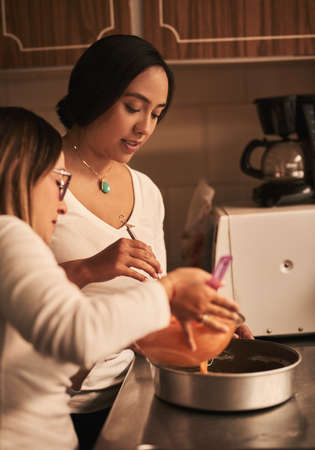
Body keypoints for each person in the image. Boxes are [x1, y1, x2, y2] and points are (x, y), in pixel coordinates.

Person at [51, 34, 253, 447]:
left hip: (134, 394)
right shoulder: (39, 178)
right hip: (58, 408)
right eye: (132, 107)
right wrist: (89, 269)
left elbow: (148, 306)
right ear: (95, 94)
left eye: (157, 114)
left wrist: (201, 322)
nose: (145, 128)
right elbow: (14, 300)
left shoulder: (146, 191)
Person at [0, 106, 241, 450]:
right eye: (57, 182)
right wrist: (169, 290)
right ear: (19, 175)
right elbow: (78, 334)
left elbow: (45, 366)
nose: (63, 204)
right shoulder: (9, 233)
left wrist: (143, 335)